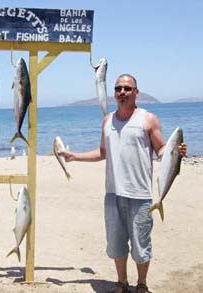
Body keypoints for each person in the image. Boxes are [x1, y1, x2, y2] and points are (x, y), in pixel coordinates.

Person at [59, 74, 187, 293]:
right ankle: (121, 281)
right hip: (113, 194)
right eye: (118, 88)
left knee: (141, 245)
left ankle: (142, 284)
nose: (122, 92)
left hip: (141, 195)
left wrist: (176, 152)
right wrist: (74, 156)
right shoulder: (107, 120)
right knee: (116, 244)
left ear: (136, 92)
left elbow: (161, 151)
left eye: (127, 88)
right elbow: (102, 152)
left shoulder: (148, 119)